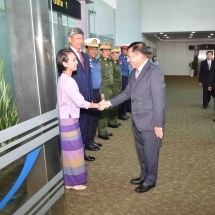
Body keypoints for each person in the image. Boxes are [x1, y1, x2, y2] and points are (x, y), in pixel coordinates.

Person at [101, 42, 166, 193]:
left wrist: (158, 124)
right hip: (137, 121)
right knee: (142, 152)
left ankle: (150, 180)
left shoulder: (154, 72)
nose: (128, 60)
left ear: (139, 55)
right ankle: (144, 175)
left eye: (130, 56)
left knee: (151, 153)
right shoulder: (133, 73)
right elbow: (127, 93)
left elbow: (159, 100)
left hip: (150, 122)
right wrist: (109, 103)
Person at [56, 49, 104, 190]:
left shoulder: (63, 79)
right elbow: (80, 102)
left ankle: (70, 180)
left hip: (67, 119)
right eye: (73, 60)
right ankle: (73, 182)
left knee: (70, 152)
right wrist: (98, 105)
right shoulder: (69, 81)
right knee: (73, 153)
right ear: (64, 63)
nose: (76, 62)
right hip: (68, 121)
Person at [67, 27, 95, 161]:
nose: (80, 41)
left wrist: (89, 98)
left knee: (84, 128)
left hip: (86, 100)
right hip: (73, 102)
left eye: (82, 38)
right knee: (73, 131)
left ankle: (82, 153)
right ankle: (74, 157)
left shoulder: (84, 56)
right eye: (77, 38)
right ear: (70, 39)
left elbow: (88, 78)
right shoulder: (66, 55)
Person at [84, 38, 103, 150]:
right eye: (92, 49)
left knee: (95, 118)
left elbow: (98, 79)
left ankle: (91, 139)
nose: (94, 51)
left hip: (96, 92)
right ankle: (87, 142)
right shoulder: (85, 63)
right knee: (89, 119)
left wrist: (101, 93)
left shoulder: (96, 62)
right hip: (89, 94)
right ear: (86, 49)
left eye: (96, 49)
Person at [97, 42, 114, 140]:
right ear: (101, 51)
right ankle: (101, 132)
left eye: (109, 50)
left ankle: (105, 130)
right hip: (104, 88)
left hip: (110, 88)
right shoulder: (100, 62)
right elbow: (99, 79)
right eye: (106, 50)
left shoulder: (109, 61)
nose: (108, 52)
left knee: (107, 110)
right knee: (103, 111)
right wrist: (101, 91)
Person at [108, 46, 122, 128]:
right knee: (113, 104)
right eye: (116, 53)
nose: (118, 55)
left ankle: (114, 120)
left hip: (118, 86)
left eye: (118, 53)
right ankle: (111, 122)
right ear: (112, 54)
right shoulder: (111, 64)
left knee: (117, 104)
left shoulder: (116, 63)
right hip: (114, 86)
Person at [118, 44, 131, 120]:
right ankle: (121, 114)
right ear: (123, 50)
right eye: (127, 50)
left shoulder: (125, 58)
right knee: (123, 96)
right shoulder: (121, 59)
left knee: (126, 96)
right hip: (122, 78)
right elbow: (120, 71)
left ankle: (124, 113)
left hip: (126, 78)